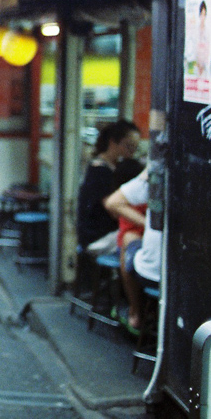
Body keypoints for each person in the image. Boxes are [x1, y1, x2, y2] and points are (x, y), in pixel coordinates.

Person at [105, 167, 160, 332]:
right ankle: (138, 311)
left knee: (129, 243)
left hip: (150, 268)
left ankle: (135, 312)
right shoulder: (135, 201)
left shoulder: (149, 182)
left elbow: (112, 203)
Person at [76, 120, 141, 254]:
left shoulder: (114, 167)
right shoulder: (100, 170)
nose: (132, 153)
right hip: (98, 238)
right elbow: (115, 211)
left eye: (135, 148)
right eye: (129, 146)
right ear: (112, 143)